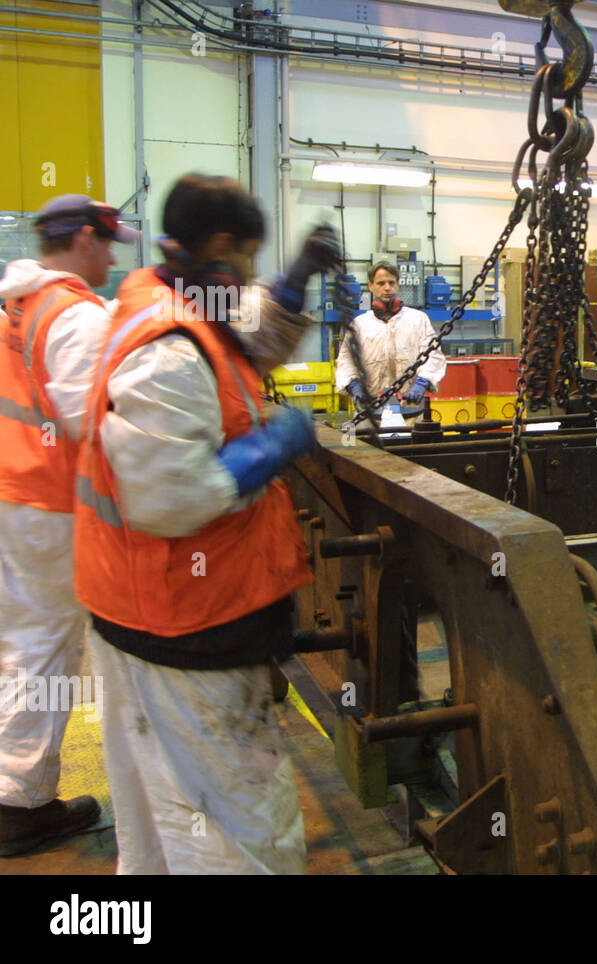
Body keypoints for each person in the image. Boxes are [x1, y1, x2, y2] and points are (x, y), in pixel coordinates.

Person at [74, 174, 343, 873]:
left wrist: (297, 279)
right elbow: (171, 496)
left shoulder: (172, 298)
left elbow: (245, 340)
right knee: (242, 831)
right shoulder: (166, 350)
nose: (253, 275)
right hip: (186, 627)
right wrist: (270, 447)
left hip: (140, 615)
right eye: (252, 258)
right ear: (222, 248)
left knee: (164, 823)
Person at [0, 195, 139, 857]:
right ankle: (19, 802)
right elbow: (94, 423)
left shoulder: (22, 301)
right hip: (50, 505)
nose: (113, 258)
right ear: (84, 238)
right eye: (108, 244)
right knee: (48, 647)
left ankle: (13, 786)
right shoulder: (73, 314)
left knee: (24, 641)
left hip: (15, 494)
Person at [335, 260, 446, 409]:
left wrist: (422, 382)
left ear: (398, 285)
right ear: (371, 286)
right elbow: (346, 361)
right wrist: (354, 385)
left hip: (409, 404)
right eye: (381, 283)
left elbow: (433, 355)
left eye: (391, 283)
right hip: (370, 406)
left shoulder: (418, 319)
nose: (387, 288)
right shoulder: (359, 325)